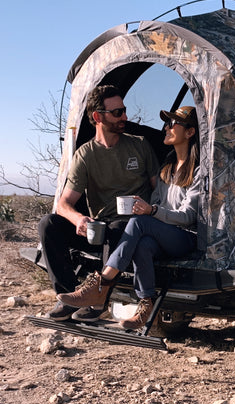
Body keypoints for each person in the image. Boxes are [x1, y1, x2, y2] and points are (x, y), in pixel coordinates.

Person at [58, 105, 200, 330]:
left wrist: (151, 212)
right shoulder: (167, 169)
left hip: (185, 237)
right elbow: (157, 204)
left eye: (173, 124)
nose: (166, 127)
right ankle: (146, 305)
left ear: (190, 132)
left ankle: (101, 284)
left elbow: (188, 217)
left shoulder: (198, 171)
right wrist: (147, 207)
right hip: (162, 234)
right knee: (142, 244)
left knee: (139, 223)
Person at [38, 85, 159, 322]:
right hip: (101, 229)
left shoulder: (140, 145)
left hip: (133, 227)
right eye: (117, 112)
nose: (124, 116)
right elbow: (64, 203)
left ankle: (97, 300)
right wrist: (79, 219)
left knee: (117, 228)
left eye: (124, 110)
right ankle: (68, 296)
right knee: (48, 224)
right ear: (97, 117)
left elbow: (160, 192)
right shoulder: (85, 154)